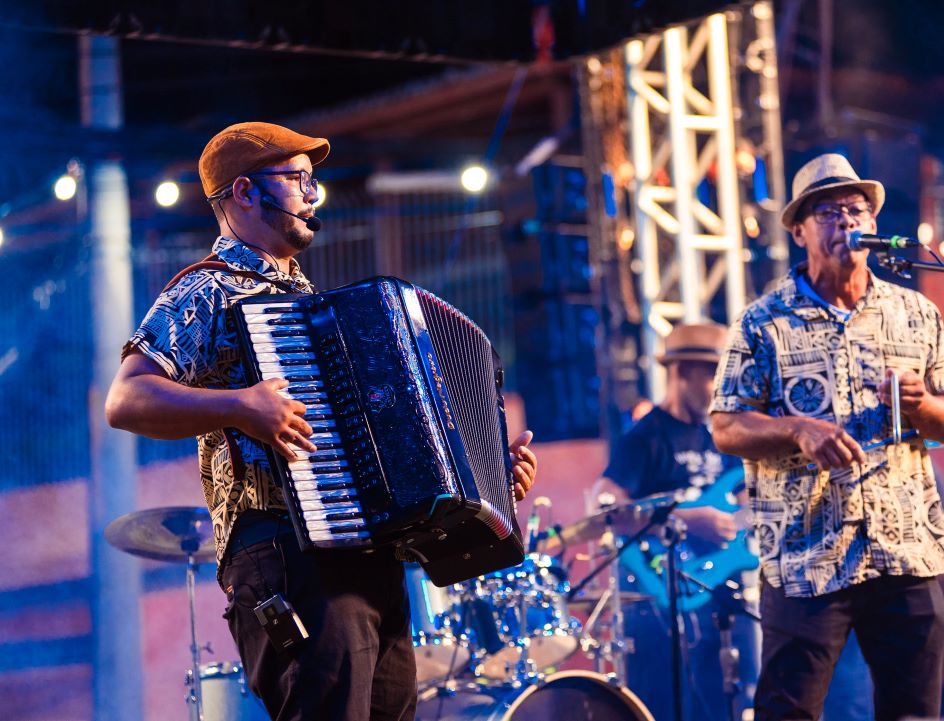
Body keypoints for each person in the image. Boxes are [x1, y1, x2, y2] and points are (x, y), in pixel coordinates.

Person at [104, 121, 538, 721]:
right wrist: (238, 406)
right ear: (245, 193)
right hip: (284, 555)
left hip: (365, 558)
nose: (314, 194)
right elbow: (125, 400)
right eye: (298, 179)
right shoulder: (205, 290)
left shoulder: (313, 307)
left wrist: (481, 476)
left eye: (314, 181)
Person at [710, 153, 944, 721]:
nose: (846, 221)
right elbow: (726, 426)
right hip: (807, 553)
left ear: (873, 224)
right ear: (799, 230)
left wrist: (921, 403)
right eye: (828, 212)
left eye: (856, 210)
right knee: (789, 711)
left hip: (905, 551)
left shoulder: (914, 312)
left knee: (914, 712)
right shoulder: (762, 322)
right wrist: (796, 429)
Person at [592, 322, 759, 721]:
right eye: (712, 378)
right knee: (666, 705)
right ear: (682, 372)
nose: (719, 390)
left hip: (721, 592)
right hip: (661, 600)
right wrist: (686, 520)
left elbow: (745, 501)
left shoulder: (720, 436)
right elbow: (609, 508)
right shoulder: (644, 437)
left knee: (734, 699)